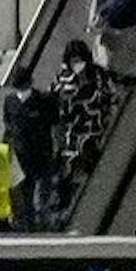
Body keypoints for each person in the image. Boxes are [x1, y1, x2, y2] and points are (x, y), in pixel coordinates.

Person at [50, 39, 116, 226]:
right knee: (66, 173)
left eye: (79, 60)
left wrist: (108, 116)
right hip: (70, 134)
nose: (76, 65)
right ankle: (63, 211)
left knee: (88, 168)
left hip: (93, 131)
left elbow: (111, 97)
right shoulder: (62, 78)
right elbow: (54, 101)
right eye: (73, 61)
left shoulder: (99, 75)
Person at [1, 68, 60, 230]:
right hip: (22, 155)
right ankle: (30, 226)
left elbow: (54, 123)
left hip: (42, 154)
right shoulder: (10, 101)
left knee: (40, 197)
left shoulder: (44, 101)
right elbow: (8, 125)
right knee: (26, 195)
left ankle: (43, 223)